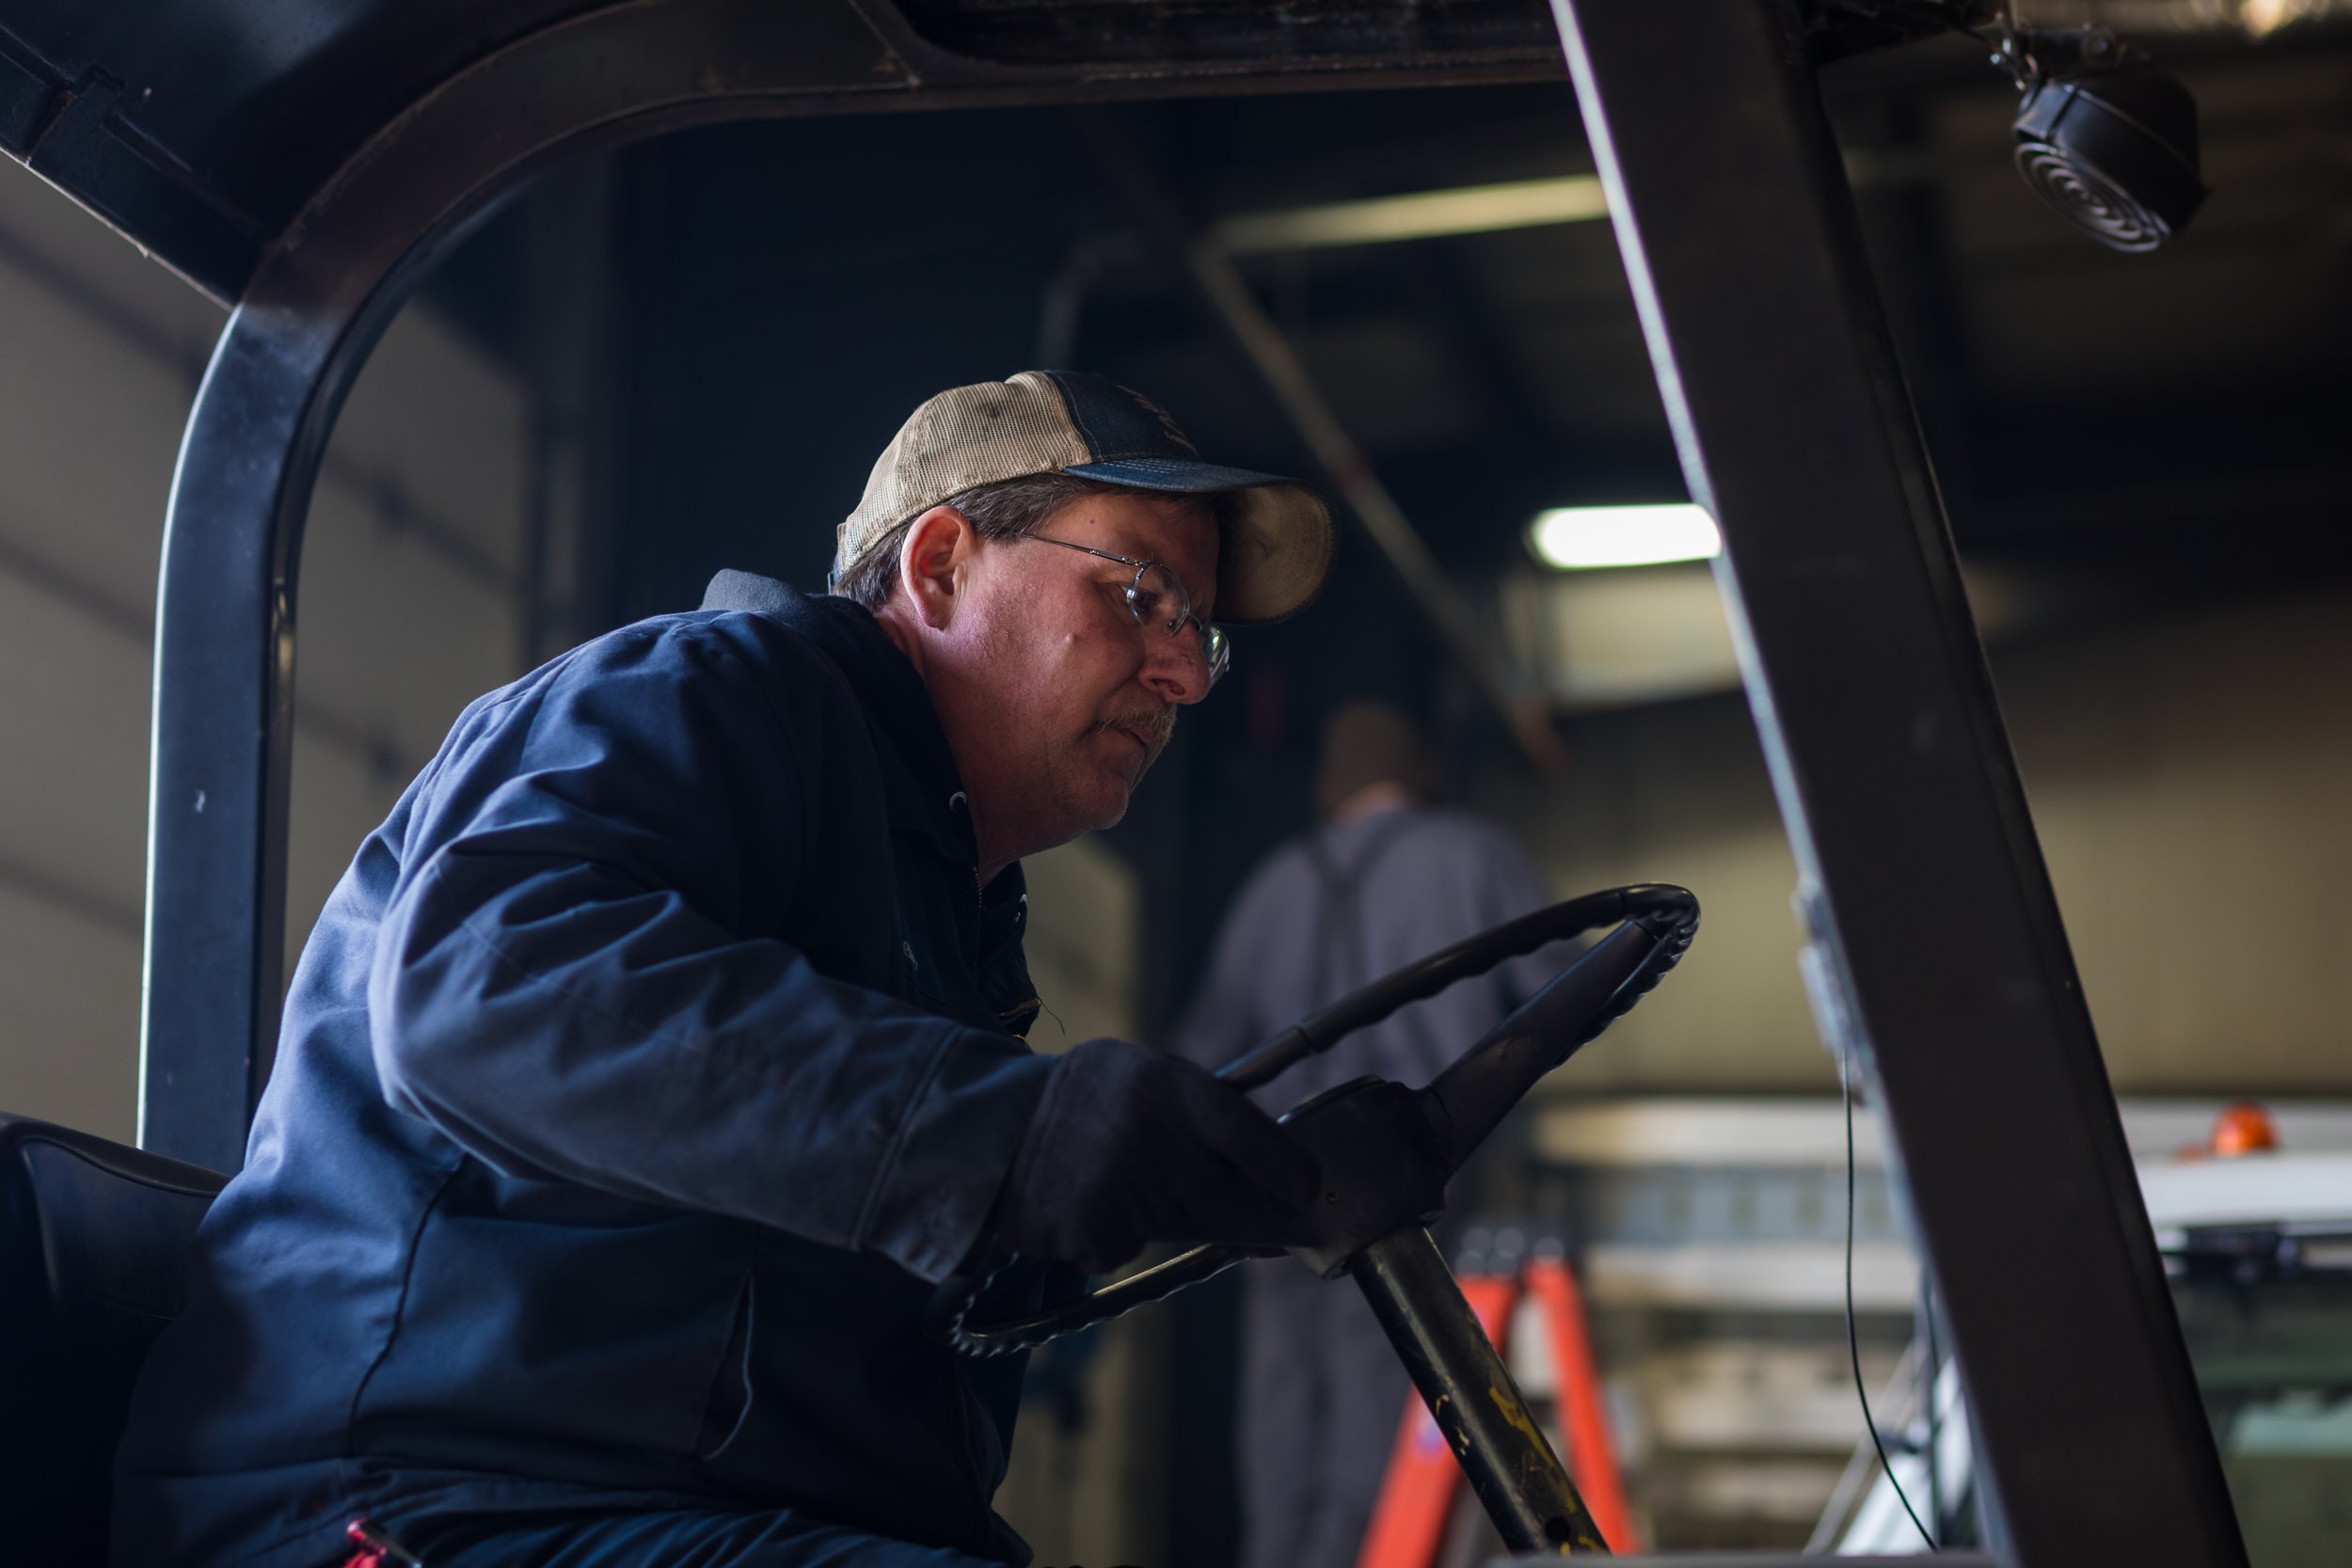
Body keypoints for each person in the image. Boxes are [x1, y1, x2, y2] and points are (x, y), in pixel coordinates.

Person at [115, 371, 1337, 1568]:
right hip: (419, 1500)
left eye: (1199, 632)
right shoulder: (715, 693)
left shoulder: (943, 902)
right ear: (943, 562)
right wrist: (998, 1130)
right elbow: (479, 985)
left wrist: (1250, 1178)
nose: (1181, 671)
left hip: (656, 1507)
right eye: (1140, 595)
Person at [1175, 699, 1565, 1568]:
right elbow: (1565, 1003)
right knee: (1389, 1419)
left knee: (1279, 1426)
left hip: (1275, 1214)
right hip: (1414, 1210)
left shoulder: (1271, 883)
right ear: (1421, 772)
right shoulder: (1474, 856)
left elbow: (1200, 1060)